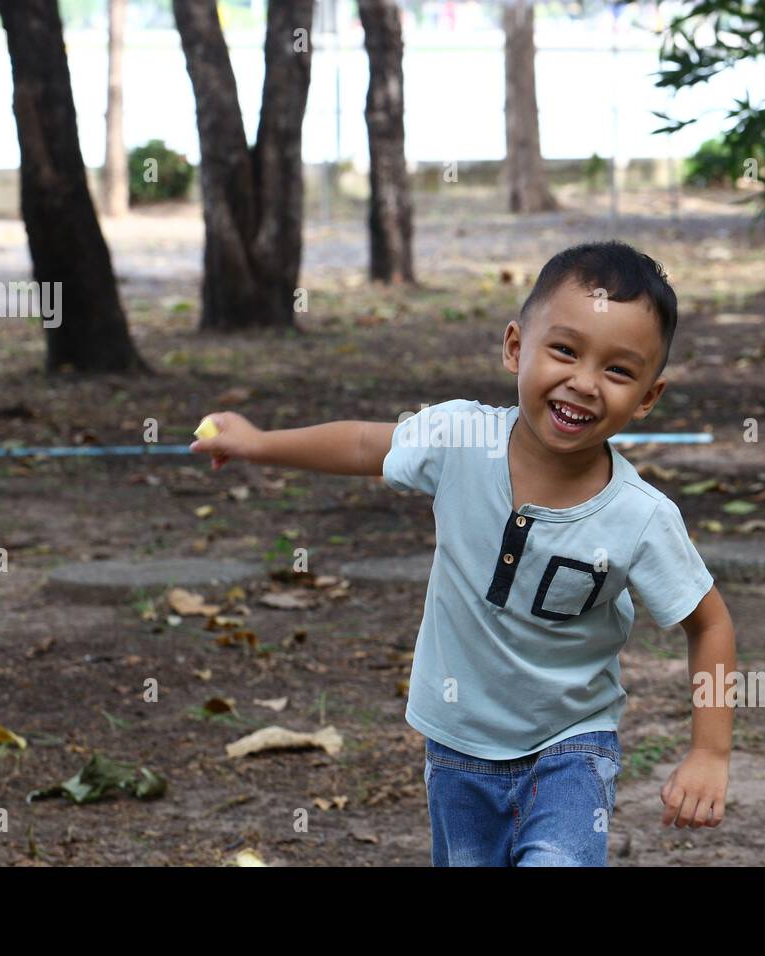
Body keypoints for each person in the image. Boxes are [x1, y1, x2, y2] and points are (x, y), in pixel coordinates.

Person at [190, 240, 736, 866]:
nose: (584, 383)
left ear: (647, 396)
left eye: (618, 370)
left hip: (572, 747)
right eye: (564, 350)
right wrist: (260, 443)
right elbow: (368, 445)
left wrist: (709, 753)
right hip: (456, 743)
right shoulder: (459, 437)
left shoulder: (640, 516)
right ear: (514, 347)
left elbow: (710, 621)